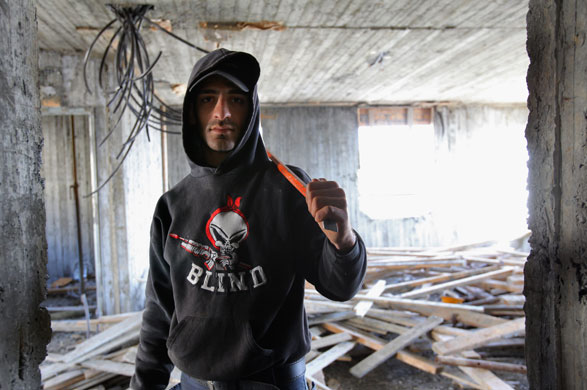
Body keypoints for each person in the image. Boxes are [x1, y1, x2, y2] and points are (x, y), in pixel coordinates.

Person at [130, 48, 367, 390]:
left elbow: (341, 287)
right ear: (192, 113)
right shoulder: (172, 205)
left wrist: (343, 240)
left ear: (252, 110)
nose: (222, 112)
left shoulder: (288, 188)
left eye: (236, 100)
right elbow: (158, 315)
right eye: (208, 99)